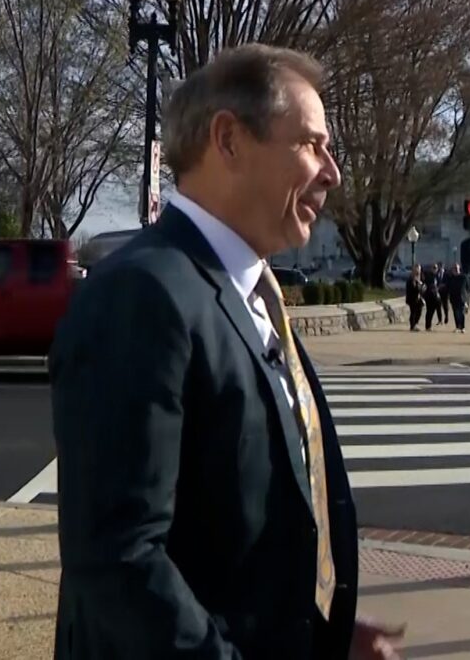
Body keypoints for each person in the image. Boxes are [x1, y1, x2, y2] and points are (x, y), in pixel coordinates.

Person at [49, 44, 404, 659]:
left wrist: (322, 635)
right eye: (311, 144)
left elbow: (243, 528)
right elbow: (119, 560)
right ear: (230, 140)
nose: (332, 171)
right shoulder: (144, 294)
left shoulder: (252, 296)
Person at [444, 263, 468, 333]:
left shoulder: (463, 277)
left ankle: (462, 327)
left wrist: (467, 300)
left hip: (461, 298)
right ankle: (457, 326)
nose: (456, 270)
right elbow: (448, 287)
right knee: (455, 313)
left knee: (461, 313)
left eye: (457, 268)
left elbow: (464, 287)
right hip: (453, 298)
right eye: (454, 269)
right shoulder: (451, 278)